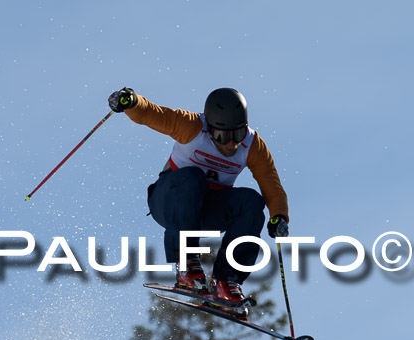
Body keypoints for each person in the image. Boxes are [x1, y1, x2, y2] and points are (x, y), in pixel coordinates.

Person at [108, 87, 289, 306]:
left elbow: (271, 182)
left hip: (206, 212)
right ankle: (186, 263)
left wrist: (279, 216)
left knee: (251, 201)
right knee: (193, 178)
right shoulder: (192, 127)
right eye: (223, 136)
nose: (231, 144)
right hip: (170, 202)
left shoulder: (252, 146)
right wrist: (132, 102)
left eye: (237, 135)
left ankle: (227, 282)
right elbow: (152, 114)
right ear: (211, 129)